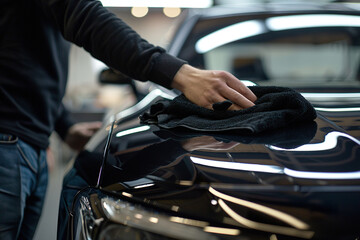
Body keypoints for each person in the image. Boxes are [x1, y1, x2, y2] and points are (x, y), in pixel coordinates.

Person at [0, 0, 257, 239]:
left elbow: (24, 55)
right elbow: (82, 16)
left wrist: (64, 127)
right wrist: (183, 75)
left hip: (22, 140)